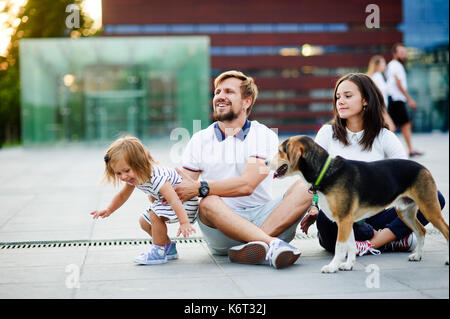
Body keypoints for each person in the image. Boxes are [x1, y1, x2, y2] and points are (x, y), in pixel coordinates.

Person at [173, 70, 313, 269]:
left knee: (306, 184)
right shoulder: (200, 140)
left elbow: (247, 185)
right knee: (208, 203)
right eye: (217, 92)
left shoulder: (264, 135)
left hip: (267, 218)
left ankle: (255, 247)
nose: (220, 96)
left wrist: (200, 187)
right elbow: (183, 188)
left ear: (247, 102)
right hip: (222, 228)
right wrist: (155, 181)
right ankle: (270, 244)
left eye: (229, 91)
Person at [300, 73, 445, 256]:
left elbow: (407, 179)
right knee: (326, 222)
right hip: (341, 215)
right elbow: (316, 180)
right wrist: (314, 206)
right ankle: (394, 240)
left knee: (435, 198)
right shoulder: (327, 133)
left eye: (348, 96)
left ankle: (377, 242)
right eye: (338, 97)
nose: (340, 101)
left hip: (374, 212)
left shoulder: (384, 137)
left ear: (365, 100)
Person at [90, 136, 198, 265]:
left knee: (154, 214)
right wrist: (109, 209)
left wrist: (184, 222)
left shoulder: (156, 177)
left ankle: (158, 251)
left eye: (126, 170)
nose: (123, 176)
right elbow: (123, 195)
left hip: (185, 201)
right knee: (144, 222)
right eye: (118, 173)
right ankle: (168, 247)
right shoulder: (135, 176)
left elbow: (174, 199)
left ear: (140, 163)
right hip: (169, 201)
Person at [385, 43, 422, 157]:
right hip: (396, 99)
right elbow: (398, 84)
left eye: (404, 53)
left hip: (397, 99)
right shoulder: (395, 65)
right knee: (393, 126)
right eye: (401, 53)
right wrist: (410, 99)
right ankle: (387, 150)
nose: (403, 55)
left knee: (402, 124)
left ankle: (409, 149)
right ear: (395, 54)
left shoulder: (395, 65)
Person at [366, 55, 395, 131]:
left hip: (379, 106)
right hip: (380, 106)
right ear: (378, 65)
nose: (385, 65)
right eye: (383, 63)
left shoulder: (375, 76)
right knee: (390, 128)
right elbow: (382, 91)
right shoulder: (377, 76)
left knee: (382, 128)